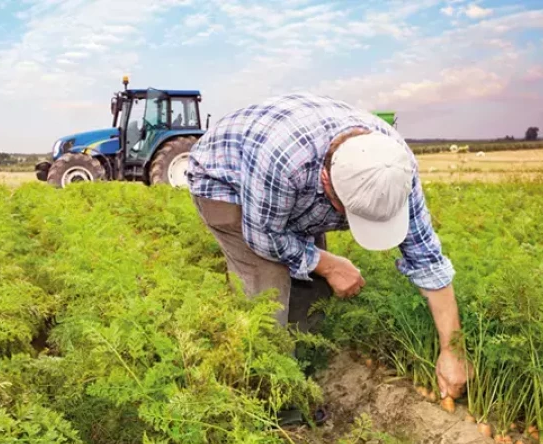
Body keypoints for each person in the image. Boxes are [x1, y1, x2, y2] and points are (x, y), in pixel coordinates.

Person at [185, 93, 470, 413]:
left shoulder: (393, 166)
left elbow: (427, 259)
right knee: (267, 289)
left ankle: (300, 361)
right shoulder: (284, 162)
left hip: (287, 189)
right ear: (326, 181)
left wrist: (452, 349)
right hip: (227, 184)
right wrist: (328, 263)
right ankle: (270, 396)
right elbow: (264, 237)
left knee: (313, 289)